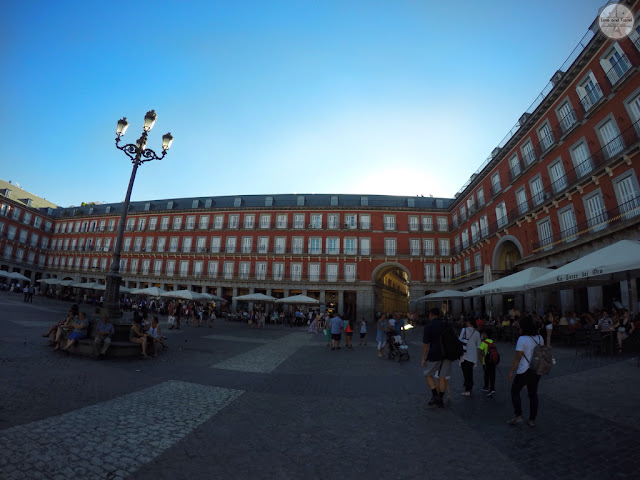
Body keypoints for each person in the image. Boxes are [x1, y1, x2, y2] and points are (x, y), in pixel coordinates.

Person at [507, 316, 544, 427]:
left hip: (524, 370)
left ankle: (518, 416)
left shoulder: (522, 339)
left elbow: (517, 358)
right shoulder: (539, 338)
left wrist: (511, 372)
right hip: (536, 369)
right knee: (533, 394)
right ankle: (532, 420)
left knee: (515, 391)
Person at [421, 308, 450, 408]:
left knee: (427, 374)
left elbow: (425, 344)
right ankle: (440, 399)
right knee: (442, 377)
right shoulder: (446, 324)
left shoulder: (429, 326)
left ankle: (435, 395)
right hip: (447, 354)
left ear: (431, 314)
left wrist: (423, 358)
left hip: (434, 354)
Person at [459, 317, 481, 397]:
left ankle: (467, 389)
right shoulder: (477, 333)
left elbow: (460, 340)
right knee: (470, 372)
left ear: (468, 322)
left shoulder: (464, 330)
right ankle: (469, 388)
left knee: (465, 373)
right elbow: (479, 345)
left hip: (464, 354)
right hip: (472, 355)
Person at [479, 328, 496, 397]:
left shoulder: (484, 343)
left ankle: (486, 386)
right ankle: (492, 387)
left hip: (486, 361)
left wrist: (480, 359)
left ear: (485, 334)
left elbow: (479, 351)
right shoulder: (492, 341)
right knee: (492, 375)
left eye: (483, 333)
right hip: (492, 361)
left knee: (486, 374)